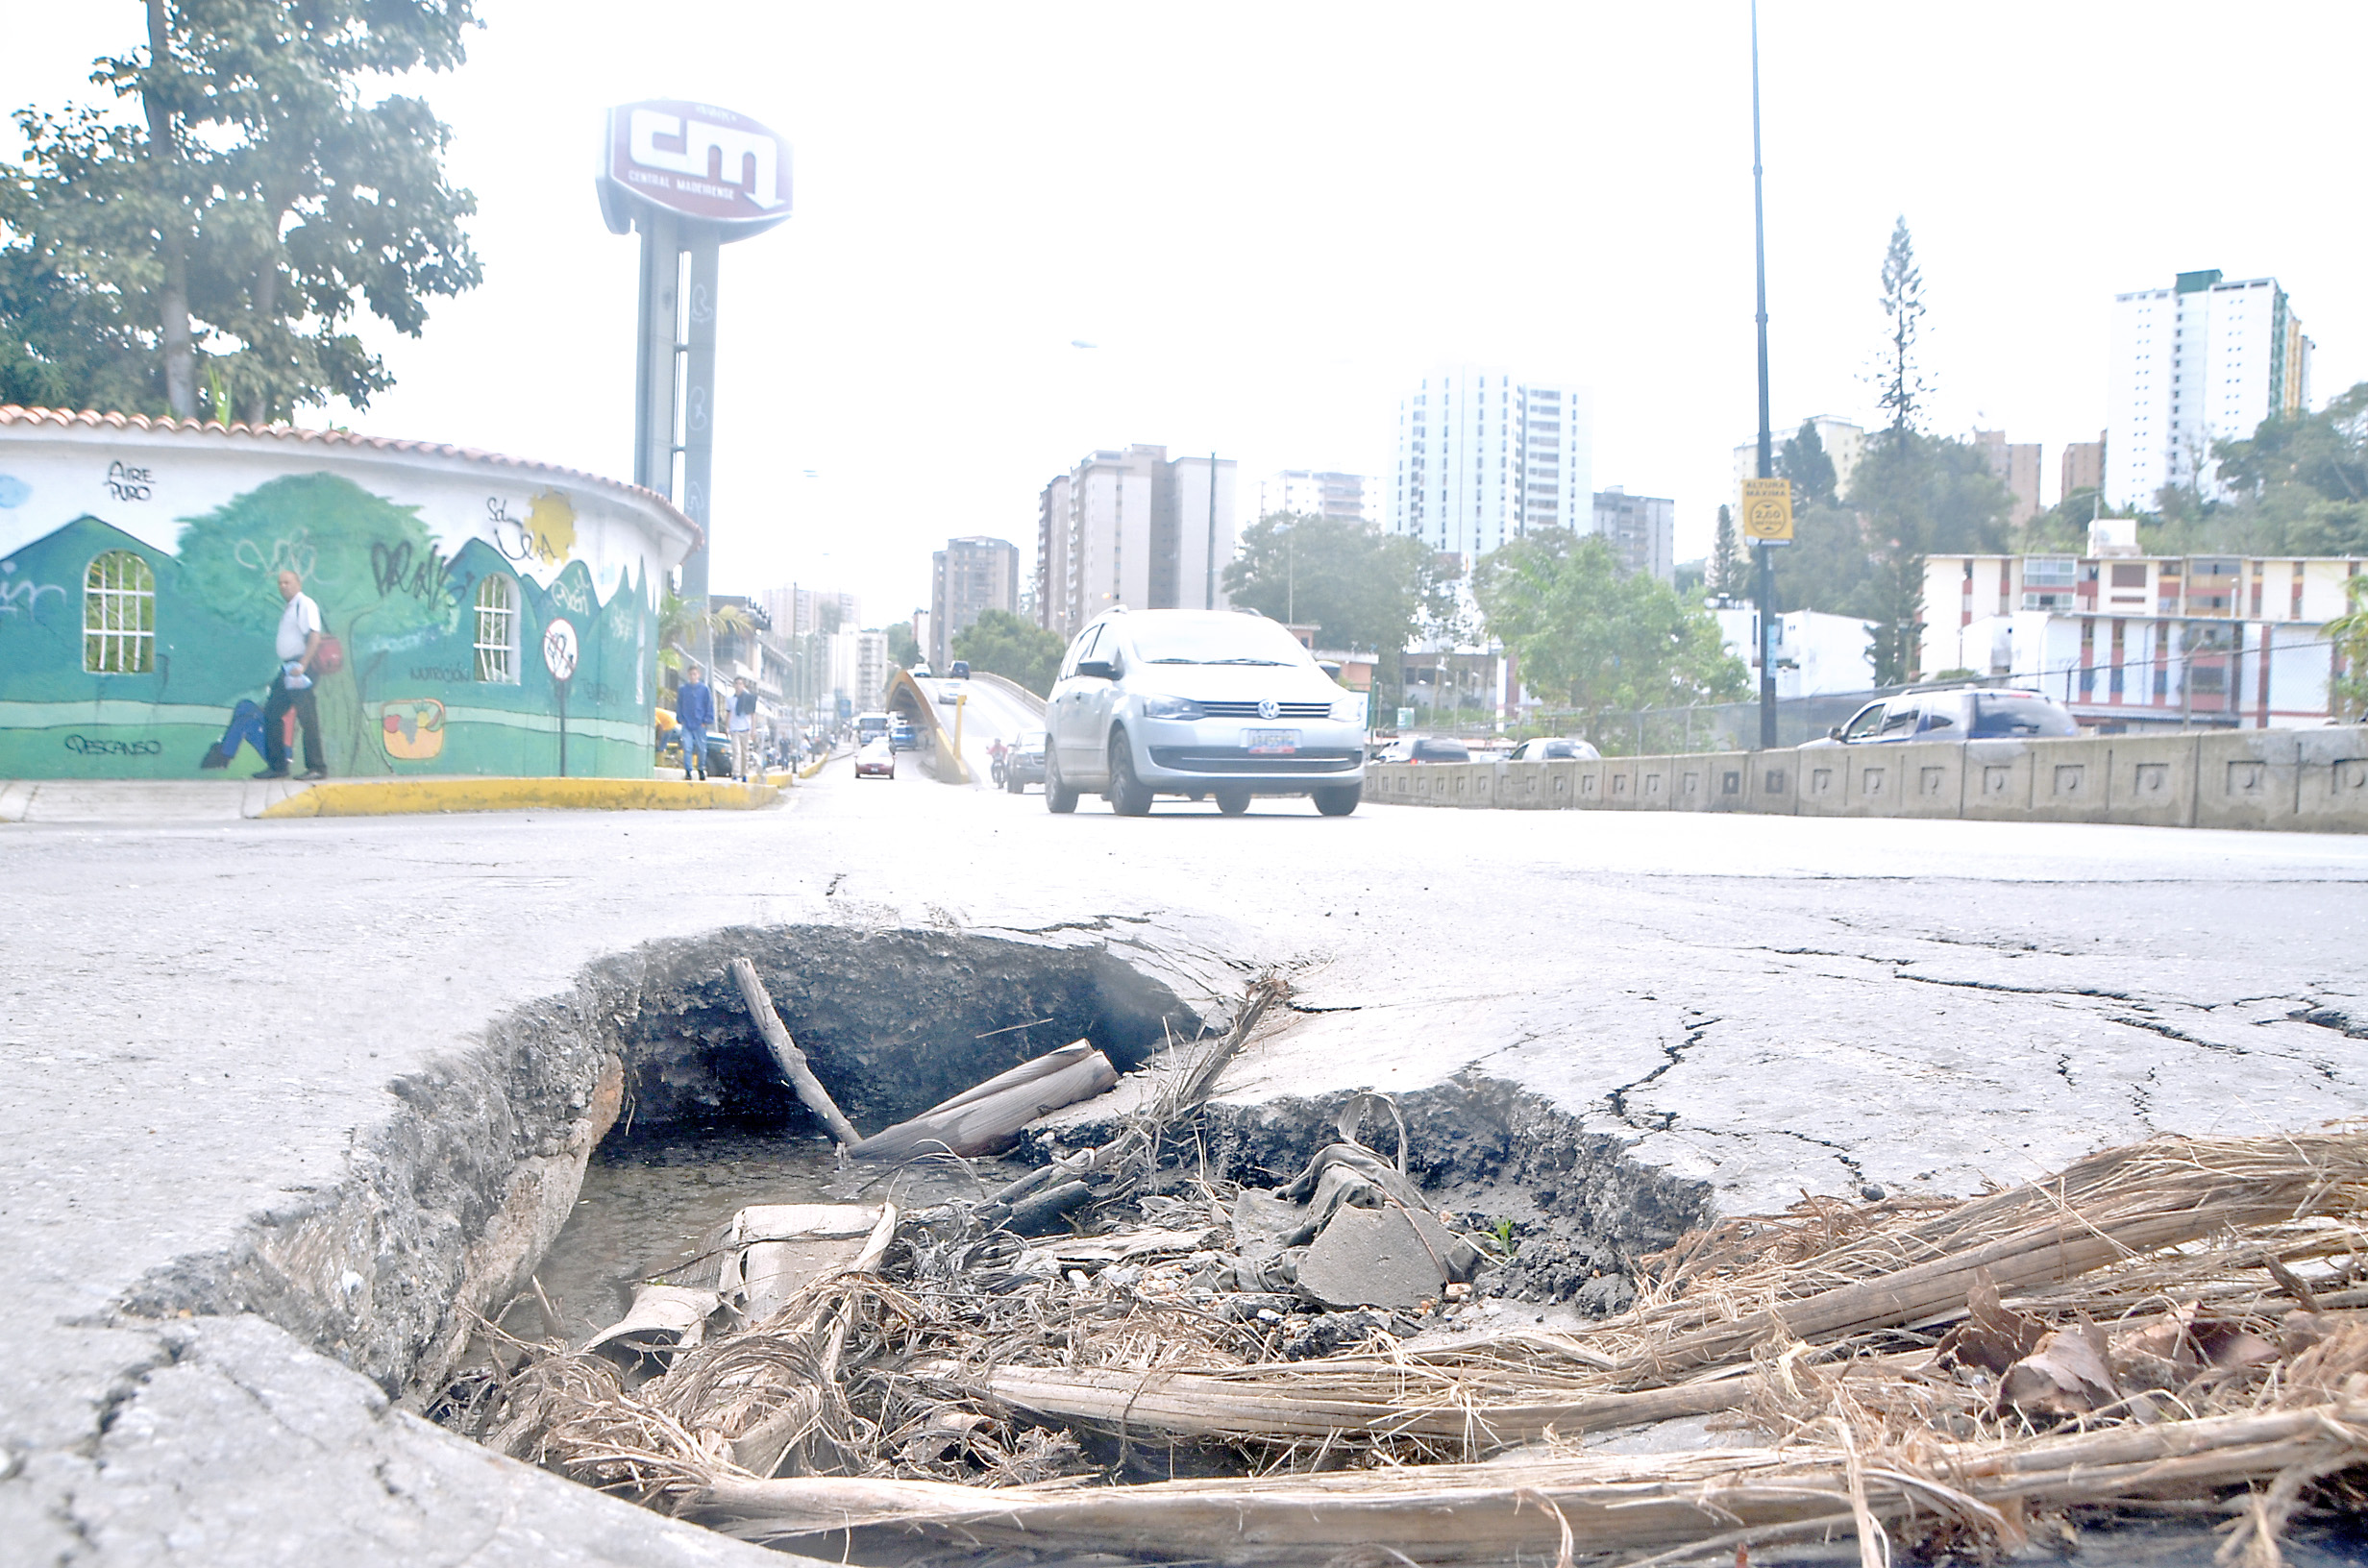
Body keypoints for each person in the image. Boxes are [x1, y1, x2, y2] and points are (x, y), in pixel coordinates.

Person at [256, 568, 327, 781]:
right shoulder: (290, 607)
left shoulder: (304, 604)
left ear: (298, 584)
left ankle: (317, 768)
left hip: (300, 668)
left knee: (307, 718)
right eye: (280, 583)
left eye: (287, 582)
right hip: (288, 669)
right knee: (272, 713)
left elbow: (315, 636)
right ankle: (278, 767)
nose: (283, 586)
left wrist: (303, 664)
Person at [675, 663, 715, 780]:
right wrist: (680, 718)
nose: (693, 676)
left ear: (698, 675)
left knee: (702, 748)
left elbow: (709, 705)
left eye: (695, 674)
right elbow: (679, 705)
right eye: (691, 674)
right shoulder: (683, 690)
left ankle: (701, 768)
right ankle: (688, 771)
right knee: (687, 747)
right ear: (688, 675)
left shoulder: (704, 689)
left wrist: (706, 720)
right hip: (687, 723)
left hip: (700, 723)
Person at [728, 675, 758, 780]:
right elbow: (729, 713)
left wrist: (753, 729)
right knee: (737, 752)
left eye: (740, 684)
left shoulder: (748, 698)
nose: (738, 686)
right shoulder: (730, 699)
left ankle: (744, 773)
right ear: (734, 685)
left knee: (745, 753)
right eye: (737, 684)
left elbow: (753, 714)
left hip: (745, 728)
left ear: (743, 686)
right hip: (735, 729)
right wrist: (727, 727)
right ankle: (735, 773)